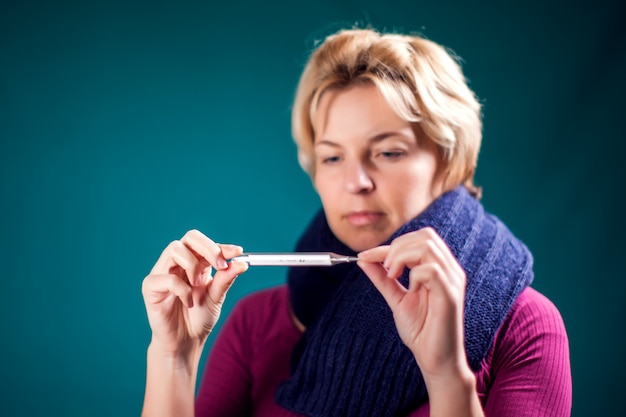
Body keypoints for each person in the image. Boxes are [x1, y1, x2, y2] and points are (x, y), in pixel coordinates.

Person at [141, 28, 572, 417]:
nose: (356, 182)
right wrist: (172, 358)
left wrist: (445, 374)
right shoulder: (255, 323)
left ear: (449, 162)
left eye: (388, 152)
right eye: (332, 157)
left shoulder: (526, 327)